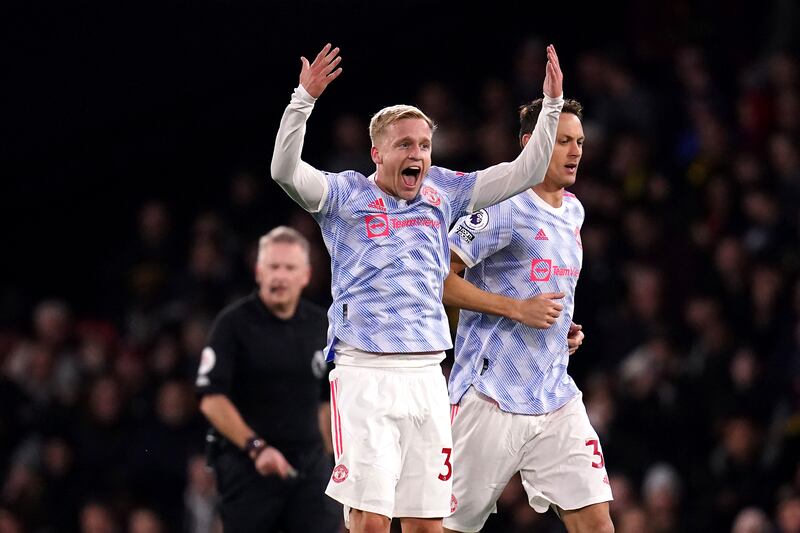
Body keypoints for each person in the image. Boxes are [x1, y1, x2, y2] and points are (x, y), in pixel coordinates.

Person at [270, 42, 564, 533]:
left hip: (428, 375)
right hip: (365, 373)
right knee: (370, 522)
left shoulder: (443, 192)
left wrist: (552, 106)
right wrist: (303, 99)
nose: (417, 153)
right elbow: (284, 172)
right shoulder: (344, 196)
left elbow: (525, 171)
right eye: (405, 144)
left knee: (428, 524)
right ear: (376, 152)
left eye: (424, 145)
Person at [442, 98, 614, 533]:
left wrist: (562, 331)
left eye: (579, 142)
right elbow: (439, 277)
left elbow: (542, 291)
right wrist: (517, 309)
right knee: (443, 527)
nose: (575, 151)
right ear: (530, 144)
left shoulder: (573, 211)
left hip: (554, 395)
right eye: (562, 141)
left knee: (597, 522)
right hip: (490, 394)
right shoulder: (503, 204)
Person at [195, 226, 341, 533]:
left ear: (306, 275)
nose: (280, 276)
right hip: (248, 465)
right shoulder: (233, 324)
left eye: (289, 268)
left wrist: (333, 459)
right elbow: (211, 399)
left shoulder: (321, 325)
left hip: (310, 465)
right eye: (273, 267)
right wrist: (256, 448)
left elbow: (328, 399)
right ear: (259, 272)